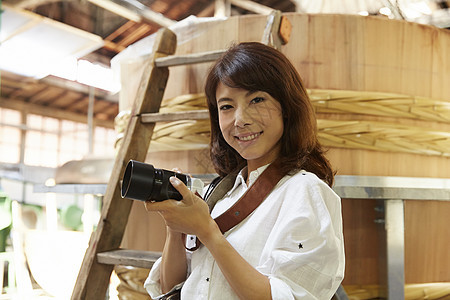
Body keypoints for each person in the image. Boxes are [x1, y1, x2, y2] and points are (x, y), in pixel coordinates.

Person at [143, 42, 345, 299]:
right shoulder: (217, 194)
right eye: (226, 106)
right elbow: (170, 288)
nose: (240, 119)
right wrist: (176, 228)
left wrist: (207, 231)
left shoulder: (305, 192)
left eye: (257, 99)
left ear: (287, 106)